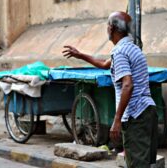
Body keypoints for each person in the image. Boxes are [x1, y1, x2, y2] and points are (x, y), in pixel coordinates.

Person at [62, 11, 158, 168]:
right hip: (148, 111)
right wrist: (80, 55)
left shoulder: (120, 52)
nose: (106, 28)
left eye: (107, 25)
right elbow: (104, 64)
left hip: (135, 116)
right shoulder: (132, 48)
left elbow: (128, 84)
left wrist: (117, 119)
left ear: (112, 28)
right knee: (146, 164)